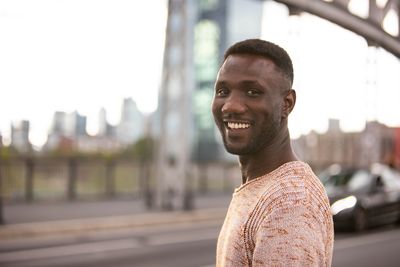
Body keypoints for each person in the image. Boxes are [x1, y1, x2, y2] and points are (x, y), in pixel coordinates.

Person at [212, 39, 334, 266]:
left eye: (253, 92)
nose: (231, 105)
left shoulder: (291, 202)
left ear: (286, 104)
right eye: (223, 91)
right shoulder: (263, 187)